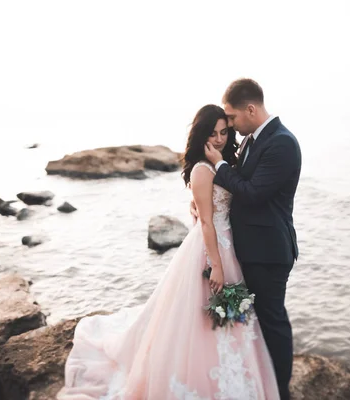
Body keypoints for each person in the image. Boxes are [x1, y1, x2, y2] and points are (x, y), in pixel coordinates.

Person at [57, 104, 280, 399]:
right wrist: (215, 264)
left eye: (224, 132)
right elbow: (207, 222)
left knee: (228, 316)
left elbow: (228, 199)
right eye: (212, 133)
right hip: (211, 248)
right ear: (201, 134)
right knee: (201, 313)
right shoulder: (202, 169)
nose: (219, 139)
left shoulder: (226, 162)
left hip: (230, 245)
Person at [197, 78, 301, 400]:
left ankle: (280, 391)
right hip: (248, 250)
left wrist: (219, 165)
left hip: (269, 253)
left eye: (231, 117)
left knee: (273, 324)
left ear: (251, 109)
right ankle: (258, 381)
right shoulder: (254, 140)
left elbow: (253, 193)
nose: (229, 125)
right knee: (249, 322)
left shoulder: (281, 143)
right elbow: (237, 185)